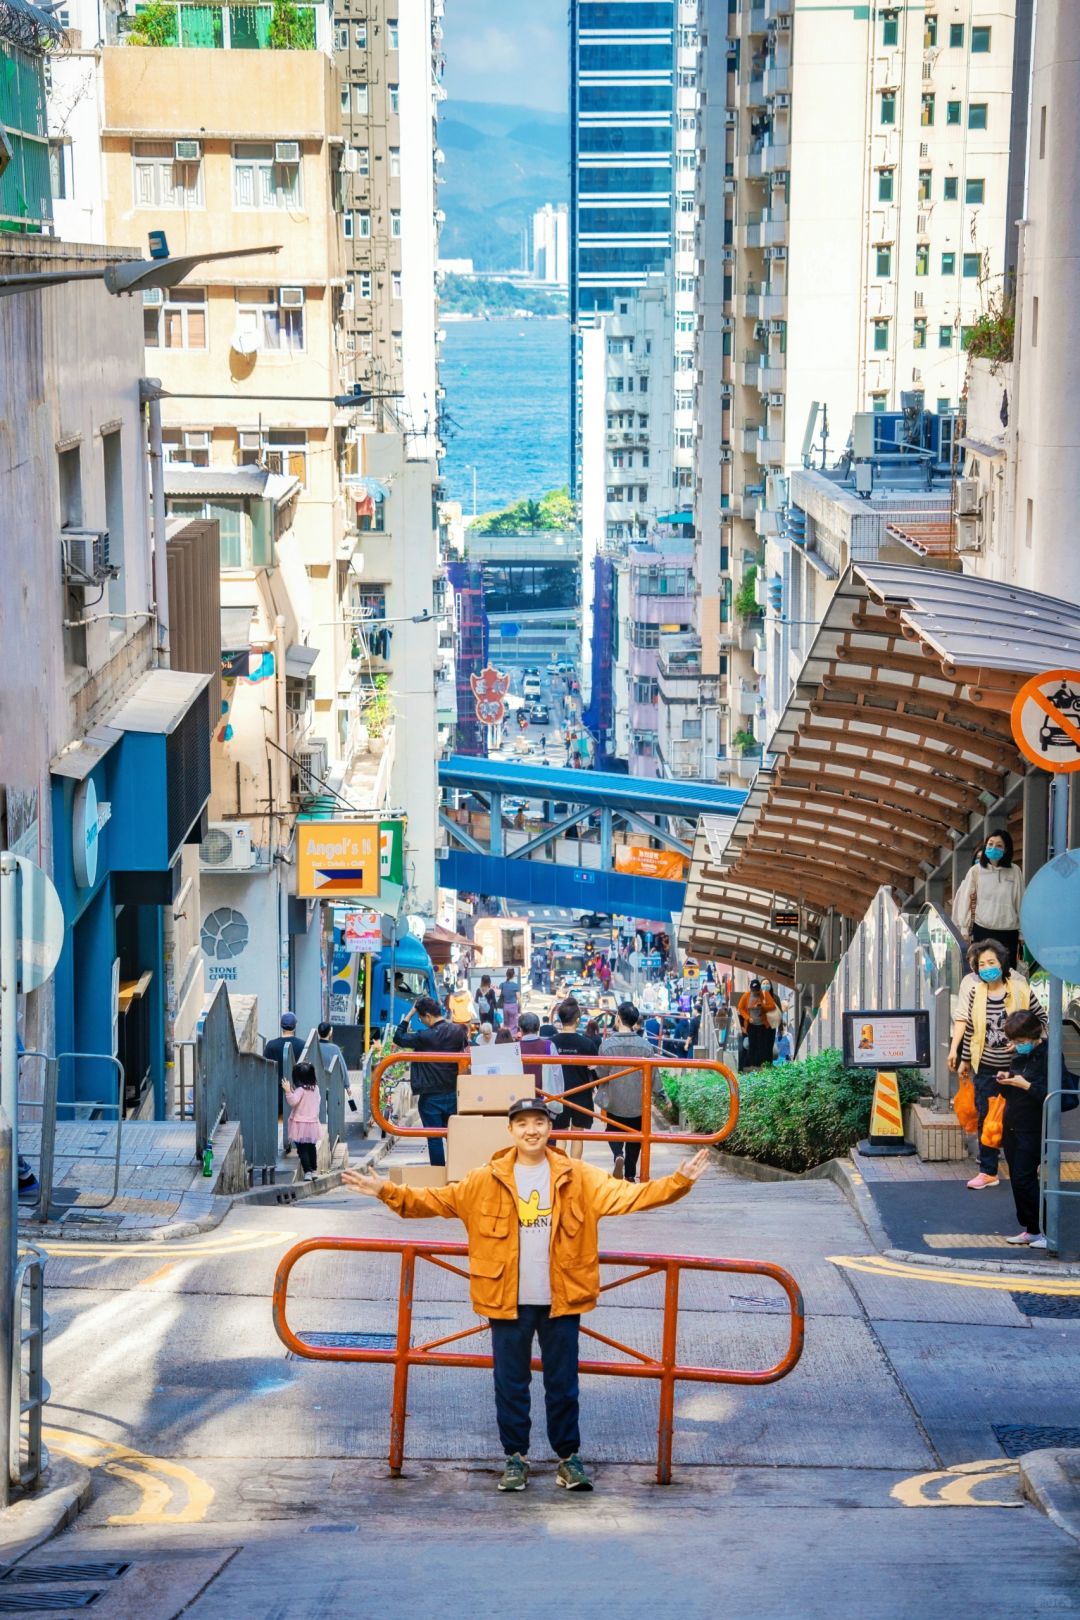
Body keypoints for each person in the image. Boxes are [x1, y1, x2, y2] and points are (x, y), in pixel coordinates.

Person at [342, 1097, 710, 1492]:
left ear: (550, 1128)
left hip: (562, 1298)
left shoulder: (579, 1176)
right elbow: (433, 1201)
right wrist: (385, 1190)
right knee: (510, 1383)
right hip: (506, 1298)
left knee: (563, 1384)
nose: (531, 1130)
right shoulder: (485, 1179)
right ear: (511, 1130)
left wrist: (679, 1182)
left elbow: (630, 1196)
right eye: (523, 1123)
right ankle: (514, 1458)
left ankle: (569, 1459)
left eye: (538, 1122)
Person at [948, 938, 1044, 1190]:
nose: (987, 967)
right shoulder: (975, 993)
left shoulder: (1020, 990)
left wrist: (1030, 1042)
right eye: (981, 964)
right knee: (986, 1117)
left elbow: (1042, 1020)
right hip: (986, 1068)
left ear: (1001, 963)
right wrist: (965, 1060)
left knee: (1020, 1117)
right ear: (976, 969)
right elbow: (971, 1029)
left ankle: (1027, 1164)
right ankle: (988, 1170)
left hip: (1018, 1067)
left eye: (991, 962)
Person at [392, 997, 469, 1168]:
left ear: (427, 1016)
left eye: (420, 1018)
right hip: (453, 1092)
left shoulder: (424, 1036)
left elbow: (398, 1038)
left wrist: (410, 1014)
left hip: (430, 1096)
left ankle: (439, 1174)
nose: (421, 1021)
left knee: (434, 1139)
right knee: (454, 1135)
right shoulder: (458, 1031)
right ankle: (458, 1172)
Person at [996, 1009, 1050, 1248]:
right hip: (1013, 1124)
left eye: (1021, 1042)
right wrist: (1006, 1080)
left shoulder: (1048, 1056)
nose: (1017, 1046)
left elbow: (1049, 1095)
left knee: (1023, 1178)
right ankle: (1031, 1229)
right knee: (1018, 1179)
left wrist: (1025, 1084)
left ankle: (1043, 1231)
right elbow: (1012, 1091)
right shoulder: (1019, 1056)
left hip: (1033, 1126)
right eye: (1014, 1042)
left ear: (1035, 1035)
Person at [597, 1002, 666, 1183]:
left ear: (618, 1018)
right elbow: (653, 1075)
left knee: (613, 1129)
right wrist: (662, 1096)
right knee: (636, 1137)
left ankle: (618, 1154)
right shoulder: (645, 1046)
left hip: (614, 1098)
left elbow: (601, 1073)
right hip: (638, 1101)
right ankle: (629, 1174)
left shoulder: (607, 1045)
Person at [952, 830, 1025, 968]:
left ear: (1006, 849)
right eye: (990, 844)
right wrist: (964, 929)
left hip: (1009, 932)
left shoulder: (1015, 871)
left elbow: (1020, 901)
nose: (993, 848)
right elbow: (966, 899)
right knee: (984, 971)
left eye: (999, 845)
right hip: (983, 930)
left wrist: (1022, 932)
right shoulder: (976, 871)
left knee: (1006, 973)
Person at [551, 997, 600, 1159]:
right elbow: (594, 1072)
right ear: (577, 1020)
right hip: (581, 1094)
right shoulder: (587, 1044)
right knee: (577, 1134)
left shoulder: (551, 1043)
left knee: (560, 1134)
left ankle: (559, 1168)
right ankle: (575, 1169)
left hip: (557, 1094)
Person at [264, 1012, 304, 1154]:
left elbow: (265, 1068)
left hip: (275, 1093)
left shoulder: (271, 1046)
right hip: (295, 1092)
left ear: (281, 1026)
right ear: (295, 1026)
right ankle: (293, 1144)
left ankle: (272, 1147)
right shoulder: (302, 1045)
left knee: (275, 1122)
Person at [281, 1060, 323, 1180]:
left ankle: (307, 1171)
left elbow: (293, 1102)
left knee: (302, 1149)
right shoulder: (316, 1089)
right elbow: (316, 1102)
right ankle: (314, 1170)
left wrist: (288, 1091)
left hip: (300, 1124)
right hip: (312, 1123)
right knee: (311, 1147)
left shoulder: (300, 1090)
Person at [736, 980, 779, 1070]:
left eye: (757, 990)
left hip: (763, 1025)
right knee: (752, 1044)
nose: (755, 992)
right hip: (751, 1025)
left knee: (762, 1044)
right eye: (753, 990)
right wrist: (748, 1018)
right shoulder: (746, 996)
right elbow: (740, 1008)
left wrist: (762, 1006)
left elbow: (772, 1006)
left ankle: (762, 1064)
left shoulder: (764, 994)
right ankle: (753, 1064)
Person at [500, 968, 520, 1034]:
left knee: (506, 1024)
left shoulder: (502, 985)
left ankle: (506, 1038)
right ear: (513, 975)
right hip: (513, 1006)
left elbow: (499, 994)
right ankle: (512, 1038)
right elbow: (518, 997)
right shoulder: (515, 985)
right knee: (513, 1025)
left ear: (506, 975)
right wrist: (520, 1008)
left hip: (505, 1006)